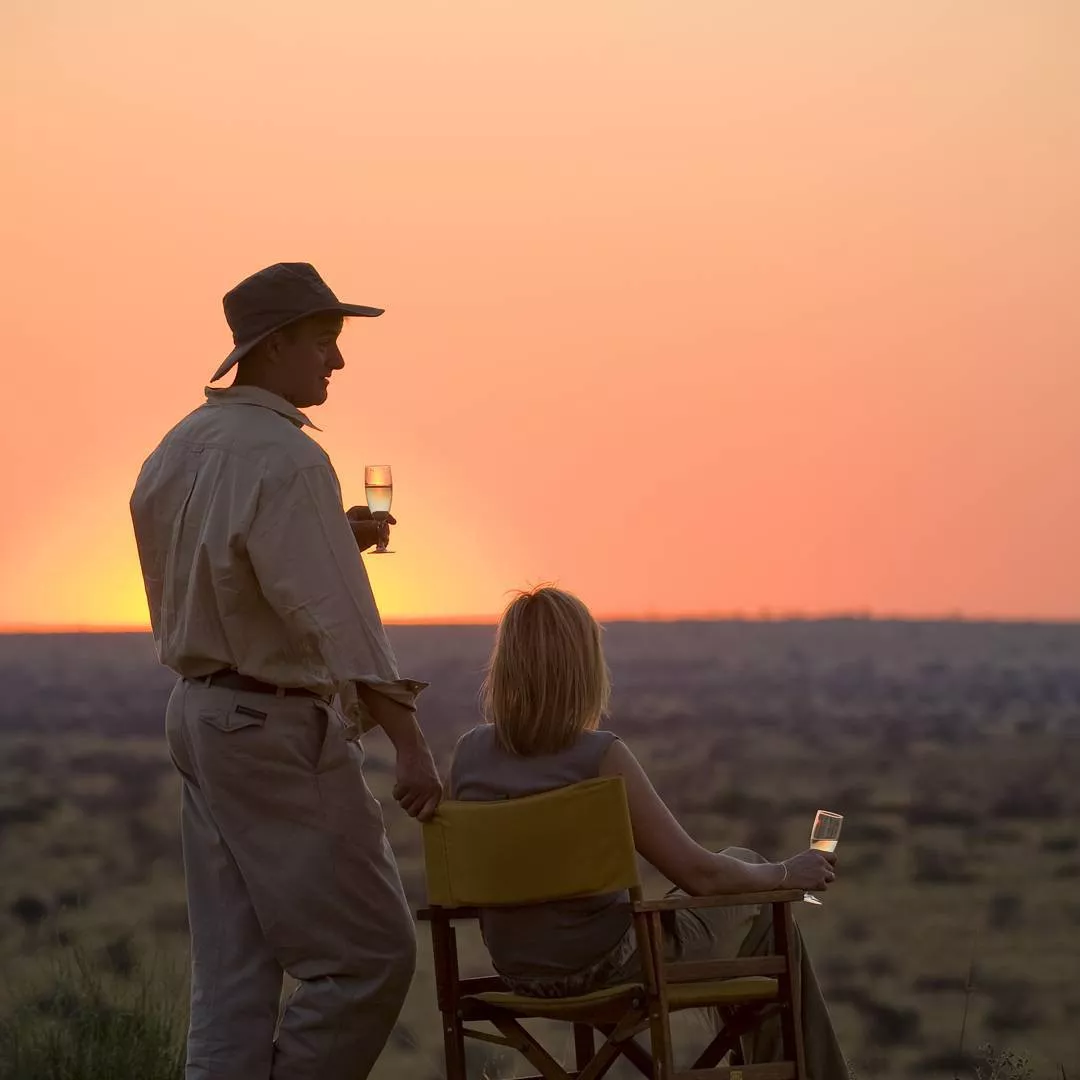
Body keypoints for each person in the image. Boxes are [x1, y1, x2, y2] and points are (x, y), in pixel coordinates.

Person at [129, 261, 443, 1080]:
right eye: (324, 340)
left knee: (233, 976)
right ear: (272, 347)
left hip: (200, 716)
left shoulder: (177, 448)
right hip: (271, 727)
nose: (337, 360)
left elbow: (227, 573)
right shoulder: (289, 461)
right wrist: (410, 743)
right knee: (370, 957)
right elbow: (342, 620)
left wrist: (330, 535)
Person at [449, 585, 849, 1077]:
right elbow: (701, 875)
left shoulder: (468, 755)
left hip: (518, 972)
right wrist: (787, 872)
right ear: (584, 666)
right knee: (755, 890)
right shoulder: (600, 757)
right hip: (612, 970)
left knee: (750, 900)